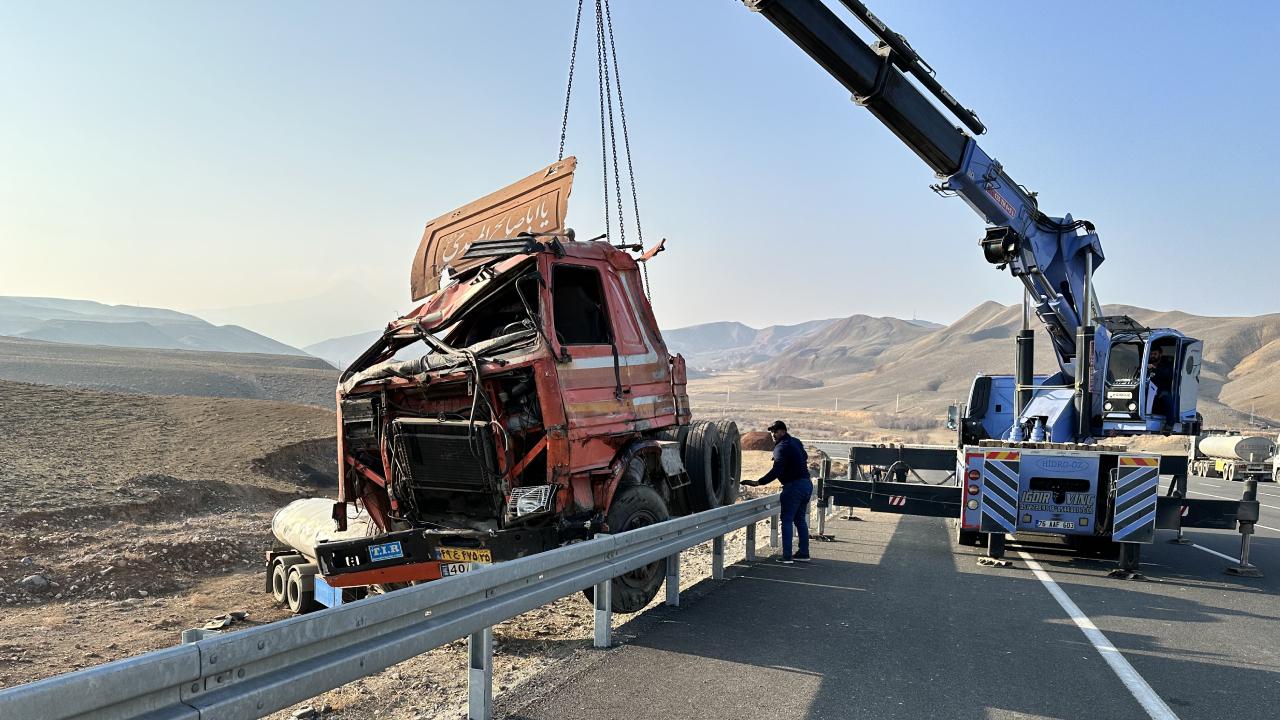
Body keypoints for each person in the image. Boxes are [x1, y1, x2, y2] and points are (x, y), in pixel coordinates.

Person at [742, 420, 813, 563]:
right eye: (772, 431)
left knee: (787, 520)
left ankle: (787, 556)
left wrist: (759, 482)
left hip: (793, 487)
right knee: (800, 520)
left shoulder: (781, 447)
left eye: (776, 431)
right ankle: (804, 553)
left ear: (783, 431)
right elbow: (804, 457)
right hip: (807, 484)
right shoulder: (796, 442)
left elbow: (777, 469)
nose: (773, 434)